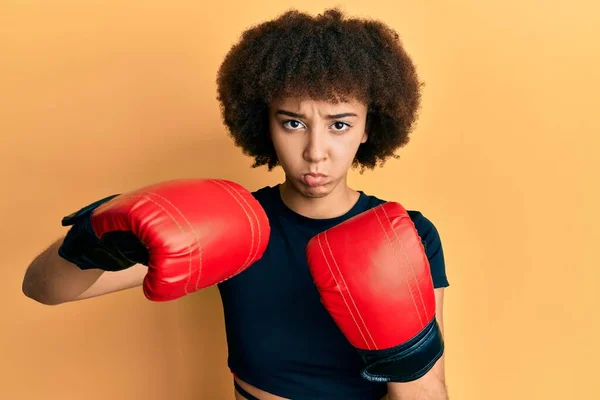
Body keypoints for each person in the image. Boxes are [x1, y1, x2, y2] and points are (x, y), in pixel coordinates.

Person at [22, 8, 450, 400]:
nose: (315, 150)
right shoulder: (236, 224)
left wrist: (404, 355)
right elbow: (42, 289)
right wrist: (95, 238)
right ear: (265, 124)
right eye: (293, 123)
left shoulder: (409, 235)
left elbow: (429, 392)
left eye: (339, 124)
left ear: (368, 129)